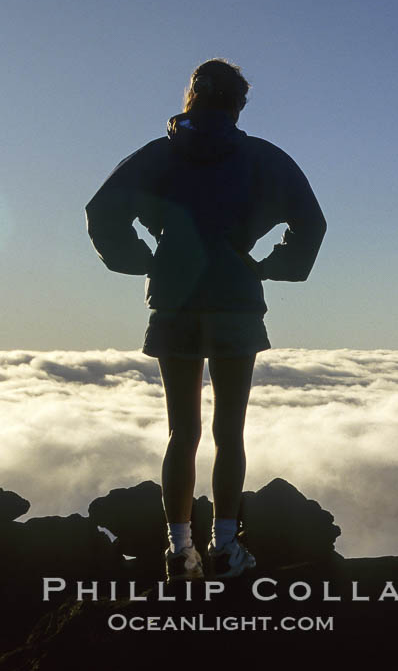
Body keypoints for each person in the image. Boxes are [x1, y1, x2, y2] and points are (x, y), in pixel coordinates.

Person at [85, 59, 327, 582]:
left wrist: (145, 260)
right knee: (229, 431)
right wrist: (270, 267)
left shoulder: (157, 156)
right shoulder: (264, 159)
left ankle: (178, 551)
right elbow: (311, 222)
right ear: (238, 104)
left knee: (182, 431)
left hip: (174, 303)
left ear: (191, 97)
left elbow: (102, 211)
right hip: (237, 300)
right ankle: (225, 547)